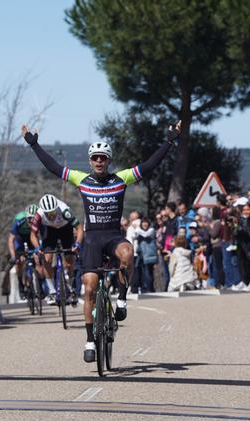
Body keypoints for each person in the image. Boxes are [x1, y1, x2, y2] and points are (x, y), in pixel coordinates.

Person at [22, 120, 181, 363]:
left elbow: (149, 165)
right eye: (95, 158)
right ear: (90, 161)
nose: (98, 161)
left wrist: (169, 142)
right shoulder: (81, 179)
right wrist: (34, 145)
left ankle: (122, 299)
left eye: (103, 158)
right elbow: (54, 167)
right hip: (93, 239)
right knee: (89, 288)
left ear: (108, 161)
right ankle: (88, 340)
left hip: (113, 237)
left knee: (128, 253)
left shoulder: (121, 178)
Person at [30, 194, 83, 305]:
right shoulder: (38, 215)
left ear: (56, 209)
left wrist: (77, 244)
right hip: (49, 231)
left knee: (69, 261)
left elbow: (79, 228)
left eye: (53, 213)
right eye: (47, 214)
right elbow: (33, 235)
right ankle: (52, 291)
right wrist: (37, 248)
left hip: (65, 229)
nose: (51, 216)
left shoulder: (64, 210)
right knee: (47, 259)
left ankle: (71, 285)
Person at [6, 204, 39, 299]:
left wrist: (39, 251)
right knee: (19, 261)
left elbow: (42, 236)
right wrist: (13, 256)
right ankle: (20, 283)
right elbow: (11, 239)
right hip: (19, 239)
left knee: (38, 260)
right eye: (29, 219)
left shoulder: (40, 221)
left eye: (34, 220)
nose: (32, 222)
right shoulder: (19, 220)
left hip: (32, 238)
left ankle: (35, 283)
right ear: (26, 217)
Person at [135, 217, 158, 293]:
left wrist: (137, 229)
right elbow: (133, 236)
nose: (145, 224)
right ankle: (144, 288)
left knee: (148, 272)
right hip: (141, 255)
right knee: (142, 272)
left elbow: (145, 234)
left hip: (149, 255)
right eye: (143, 222)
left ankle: (149, 288)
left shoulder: (151, 230)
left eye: (146, 222)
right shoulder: (139, 231)